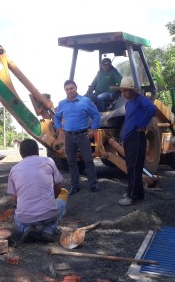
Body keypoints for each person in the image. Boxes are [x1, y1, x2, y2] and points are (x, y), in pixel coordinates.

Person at [7, 139, 67, 243]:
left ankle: (27, 229)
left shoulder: (14, 169)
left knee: (17, 215)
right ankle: (48, 230)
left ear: (21, 154)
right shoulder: (48, 161)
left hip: (25, 218)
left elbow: (15, 199)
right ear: (37, 152)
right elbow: (58, 187)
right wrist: (50, 200)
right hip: (49, 214)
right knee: (61, 204)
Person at [111, 77, 156, 206]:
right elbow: (129, 122)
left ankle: (132, 196)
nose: (123, 94)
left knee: (134, 168)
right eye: (122, 91)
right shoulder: (129, 103)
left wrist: (142, 125)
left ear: (132, 90)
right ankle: (139, 193)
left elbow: (152, 110)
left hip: (137, 138)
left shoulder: (140, 99)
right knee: (132, 167)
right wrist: (124, 139)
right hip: (130, 139)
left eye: (125, 91)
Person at [54, 79, 101, 195]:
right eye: (67, 89)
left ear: (76, 88)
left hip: (83, 135)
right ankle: (75, 186)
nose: (70, 91)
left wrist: (93, 129)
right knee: (71, 161)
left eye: (71, 88)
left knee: (88, 160)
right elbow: (56, 117)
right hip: (69, 136)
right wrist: (59, 128)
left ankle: (93, 184)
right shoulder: (62, 104)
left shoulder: (85, 101)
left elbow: (96, 115)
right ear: (65, 90)